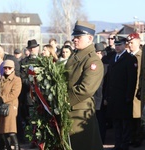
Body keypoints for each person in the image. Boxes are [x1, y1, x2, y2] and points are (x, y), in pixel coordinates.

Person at [65, 20, 104, 150]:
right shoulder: (75, 56)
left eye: (78, 37)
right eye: (74, 37)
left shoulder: (92, 60)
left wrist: (63, 100)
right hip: (70, 110)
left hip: (79, 112)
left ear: (90, 38)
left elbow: (86, 89)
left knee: (81, 145)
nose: (74, 39)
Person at [106, 36, 138, 150]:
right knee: (116, 123)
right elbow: (109, 78)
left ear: (125, 45)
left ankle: (124, 145)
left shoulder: (130, 59)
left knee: (125, 124)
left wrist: (129, 96)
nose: (117, 47)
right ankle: (118, 144)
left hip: (124, 97)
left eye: (119, 45)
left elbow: (131, 80)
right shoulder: (112, 57)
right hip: (114, 97)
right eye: (116, 45)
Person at [0, 59, 22, 150]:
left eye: (9, 68)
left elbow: (14, 94)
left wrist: (2, 99)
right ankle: (6, 147)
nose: (7, 69)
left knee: (10, 130)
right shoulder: (1, 80)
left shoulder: (17, 80)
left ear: (13, 69)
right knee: (1, 130)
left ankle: (16, 147)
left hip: (11, 106)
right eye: (5, 68)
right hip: (0, 107)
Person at [127, 33, 143, 147]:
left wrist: (139, 90)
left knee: (137, 117)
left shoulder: (140, 56)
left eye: (132, 42)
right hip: (129, 91)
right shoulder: (128, 57)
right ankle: (132, 138)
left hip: (138, 92)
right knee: (130, 118)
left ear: (138, 42)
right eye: (129, 42)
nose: (130, 45)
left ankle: (137, 139)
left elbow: (140, 76)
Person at [94, 42, 108, 144]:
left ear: (103, 53)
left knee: (101, 121)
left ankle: (101, 140)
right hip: (93, 97)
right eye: (96, 53)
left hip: (102, 97)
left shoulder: (106, 66)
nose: (98, 55)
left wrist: (106, 98)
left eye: (99, 53)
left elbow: (108, 83)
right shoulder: (92, 65)